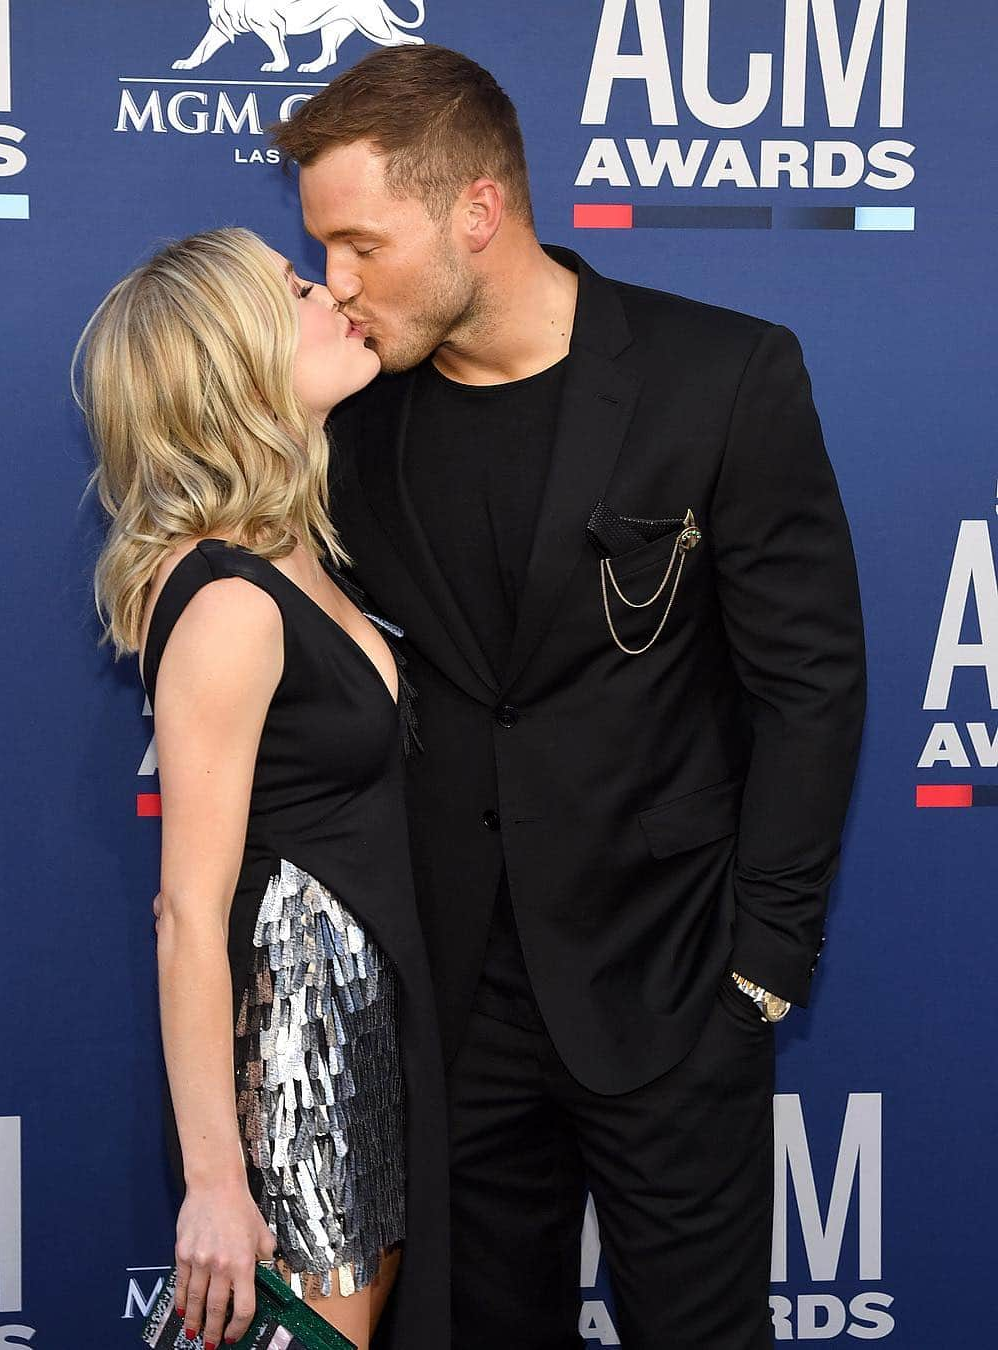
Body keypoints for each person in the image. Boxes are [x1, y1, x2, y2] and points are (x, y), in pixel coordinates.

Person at [271, 44, 867, 1349]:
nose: (339, 283)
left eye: (363, 242)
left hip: (671, 988)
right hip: (449, 1007)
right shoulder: (351, 420)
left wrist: (760, 973)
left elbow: (810, 684)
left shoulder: (721, 378)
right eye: (325, 248)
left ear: (477, 209)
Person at [74, 226, 448, 1350]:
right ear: (235, 361)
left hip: (365, 1043)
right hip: (300, 1064)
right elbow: (188, 912)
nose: (331, 290)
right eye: (293, 289)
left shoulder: (295, 555)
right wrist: (214, 1183)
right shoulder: (230, 603)